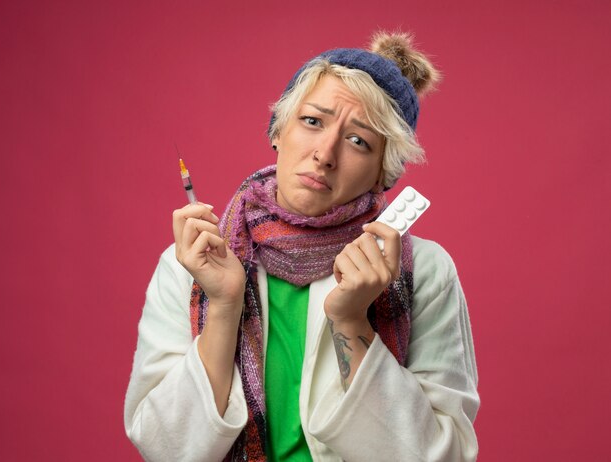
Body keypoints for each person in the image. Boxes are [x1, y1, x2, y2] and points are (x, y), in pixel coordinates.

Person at [124, 31, 479, 462]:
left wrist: (352, 322)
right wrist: (222, 305)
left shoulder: (423, 271)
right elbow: (165, 449)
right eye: (312, 121)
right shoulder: (194, 262)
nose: (325, 154)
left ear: (383, 174)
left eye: (358, 141)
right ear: (278, 130)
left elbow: (445, 455)